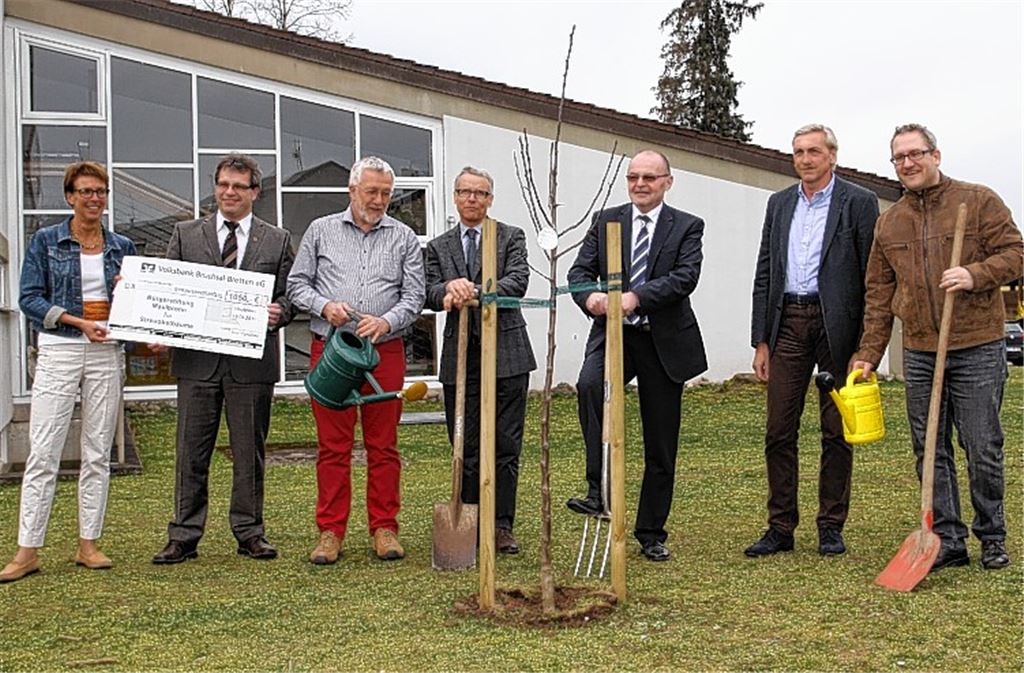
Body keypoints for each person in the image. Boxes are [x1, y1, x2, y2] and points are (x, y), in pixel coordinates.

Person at [851, 124, 1023, 571]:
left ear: (936, 155)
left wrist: (976, 274)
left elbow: (1016, 254)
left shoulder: (978, 200)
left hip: (976, 344)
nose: (907, 164)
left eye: (916, 154)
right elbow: (878, 292)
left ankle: (992, 535)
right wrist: (869, 352)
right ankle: (947, 537)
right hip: (922, 349)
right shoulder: (890, 223)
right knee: (929, 447)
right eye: (899, 158)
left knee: (981, 444)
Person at [152, 153, 295, 565]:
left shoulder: (278, 239)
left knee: (249, 452)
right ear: (215, 188)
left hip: (250, 364)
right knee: (190, 451)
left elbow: (291, 296)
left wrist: (279, 312)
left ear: (255, 192)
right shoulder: (185, 234)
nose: (229, 193)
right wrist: (155, 323)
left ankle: (250, 532)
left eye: (239, 186)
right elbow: (168, 291)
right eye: (223, 185)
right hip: (197, 362)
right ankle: (183, 535)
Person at [745, 124, 879, 558]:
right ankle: (780, 526)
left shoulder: (858, 202)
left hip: (836, 325)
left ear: (832, 156)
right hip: (787, 322)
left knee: (835, 429)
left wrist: (865, 343)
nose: (805, 159)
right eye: (799, 152)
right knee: (778, 429)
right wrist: (760, 340)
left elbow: (871, 276)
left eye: (814, 151)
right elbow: (765, 271)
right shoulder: (779, 203)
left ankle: (830, 526)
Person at [566, 149, 707, 562]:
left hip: (662, 339)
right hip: (613, 336)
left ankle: (651, 531)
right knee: (590, 387)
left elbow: (686, 278)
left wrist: (636, 297)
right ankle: (600, 490)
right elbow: (578, 274)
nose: (640, 184)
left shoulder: (687, 226)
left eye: (649, 177)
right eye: (633, 177)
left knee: (660, 440)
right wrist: (589, 297)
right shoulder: (606, 221)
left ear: (667, 181)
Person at [1, 162, 136, 583]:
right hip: (60, 347)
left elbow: (136, 300)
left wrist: (139, 328)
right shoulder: (45, 241)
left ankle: (88, 543)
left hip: (106, 352)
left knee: (98, 450)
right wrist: (77, 323)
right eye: (86, 191)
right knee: (44, 450)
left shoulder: (122, 245)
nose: (94, 199)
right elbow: (29, 299)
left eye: (101, 191)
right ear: (70, 196)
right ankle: (27, 549)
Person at [287, 156, 425, 564]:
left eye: (385, 193)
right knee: (333, 446)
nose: (379, 200)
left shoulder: (404, 237)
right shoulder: (320, 231)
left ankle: (384, 528)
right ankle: (330, 532)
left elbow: (414, 297)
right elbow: (296, 284)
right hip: (330, 350)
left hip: (385, 351)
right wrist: (324, 305)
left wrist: (387, 321)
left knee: (384, 446)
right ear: (352, 190)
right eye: (372, 192)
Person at [425, 166, 536, 555]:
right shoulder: (438, 246)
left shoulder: (509, 236)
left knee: (505, 444)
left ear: (490, 199)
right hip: (460, 357)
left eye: (480, 193)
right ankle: (468, 519)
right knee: (464, 444)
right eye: (465, 192)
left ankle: (501, 524)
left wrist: (473, 290)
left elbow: (518, 281)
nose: (472, 199)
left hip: (507, 354)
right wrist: (446, 290)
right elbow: (428, 289)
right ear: (455, 197)